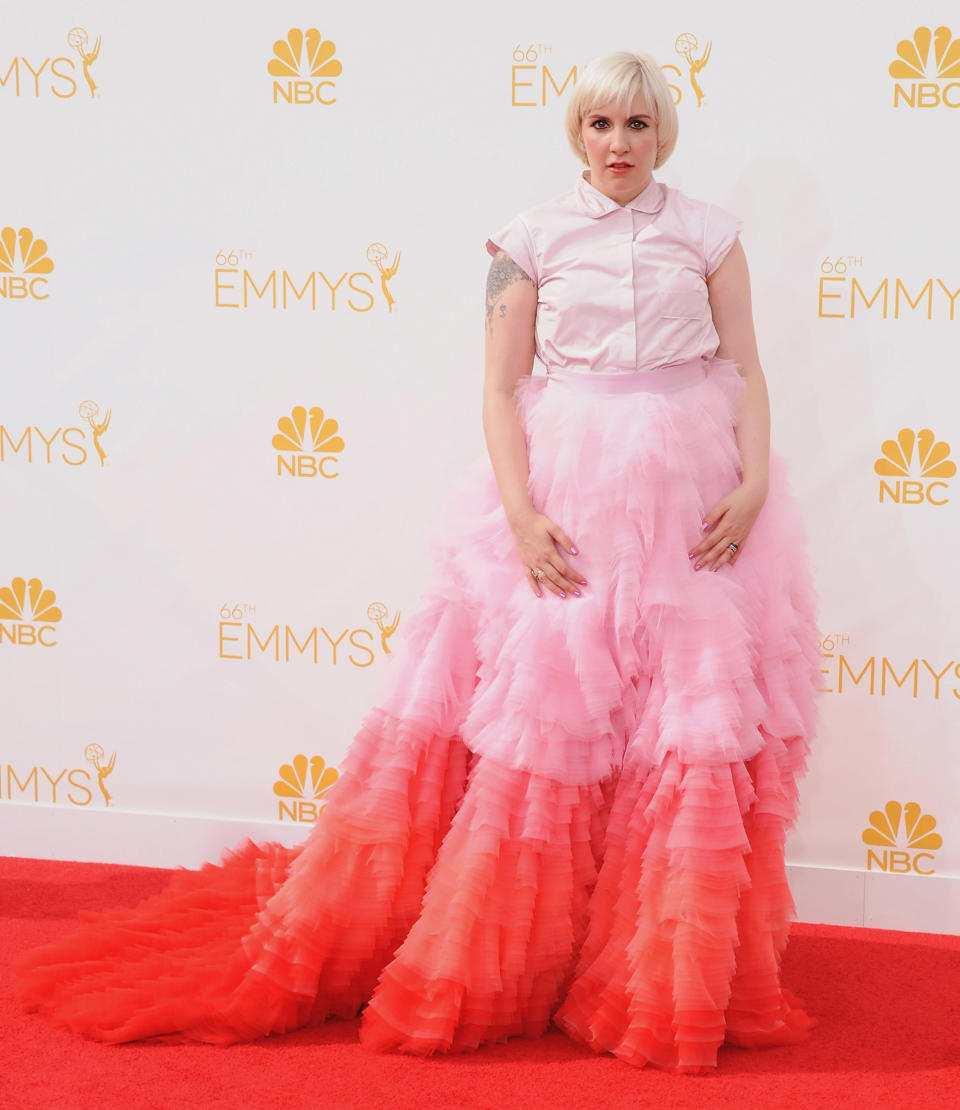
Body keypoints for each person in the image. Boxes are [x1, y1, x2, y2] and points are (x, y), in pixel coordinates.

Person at [15, 51, 819, 1075]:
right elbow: (500, 389)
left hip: (697, 496)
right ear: (576, 133)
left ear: (664, 133)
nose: (620, 145)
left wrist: (750, 489)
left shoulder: (710, 234)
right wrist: (524, 517)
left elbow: (744, 364)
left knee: (678, 729)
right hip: (567, 489)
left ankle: (649, 964)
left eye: (638, 126)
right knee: (552, 716)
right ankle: (513, 956)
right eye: (602, 126)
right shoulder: (526, 243)